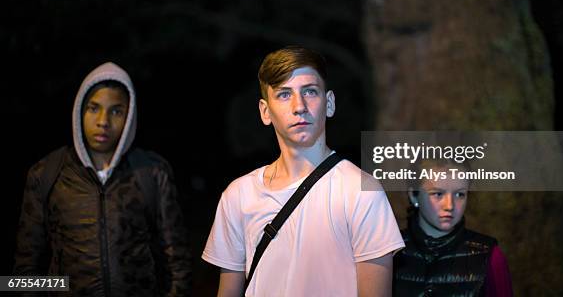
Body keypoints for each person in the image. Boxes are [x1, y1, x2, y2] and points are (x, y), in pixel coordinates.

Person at [202, 46, 405, 296]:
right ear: (265, 112)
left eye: (309, 91)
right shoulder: (239, 195)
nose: (300, 106)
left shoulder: (361, 191)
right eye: (284, 94)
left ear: (329, 103)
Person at [14, 62, 192, 296]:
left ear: (130, 116)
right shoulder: (46, 173)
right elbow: (24, 272)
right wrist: (62, 287)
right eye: (93, 108)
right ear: (79, 110)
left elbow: (178, 264)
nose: (103, 121)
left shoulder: (152, 172)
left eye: (116, 111)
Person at [393, 159, 513, 296]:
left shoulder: (491, 256)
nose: (449, 205)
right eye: (437, 194)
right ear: (414, 196)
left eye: (459, 194)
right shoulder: (389, 251)